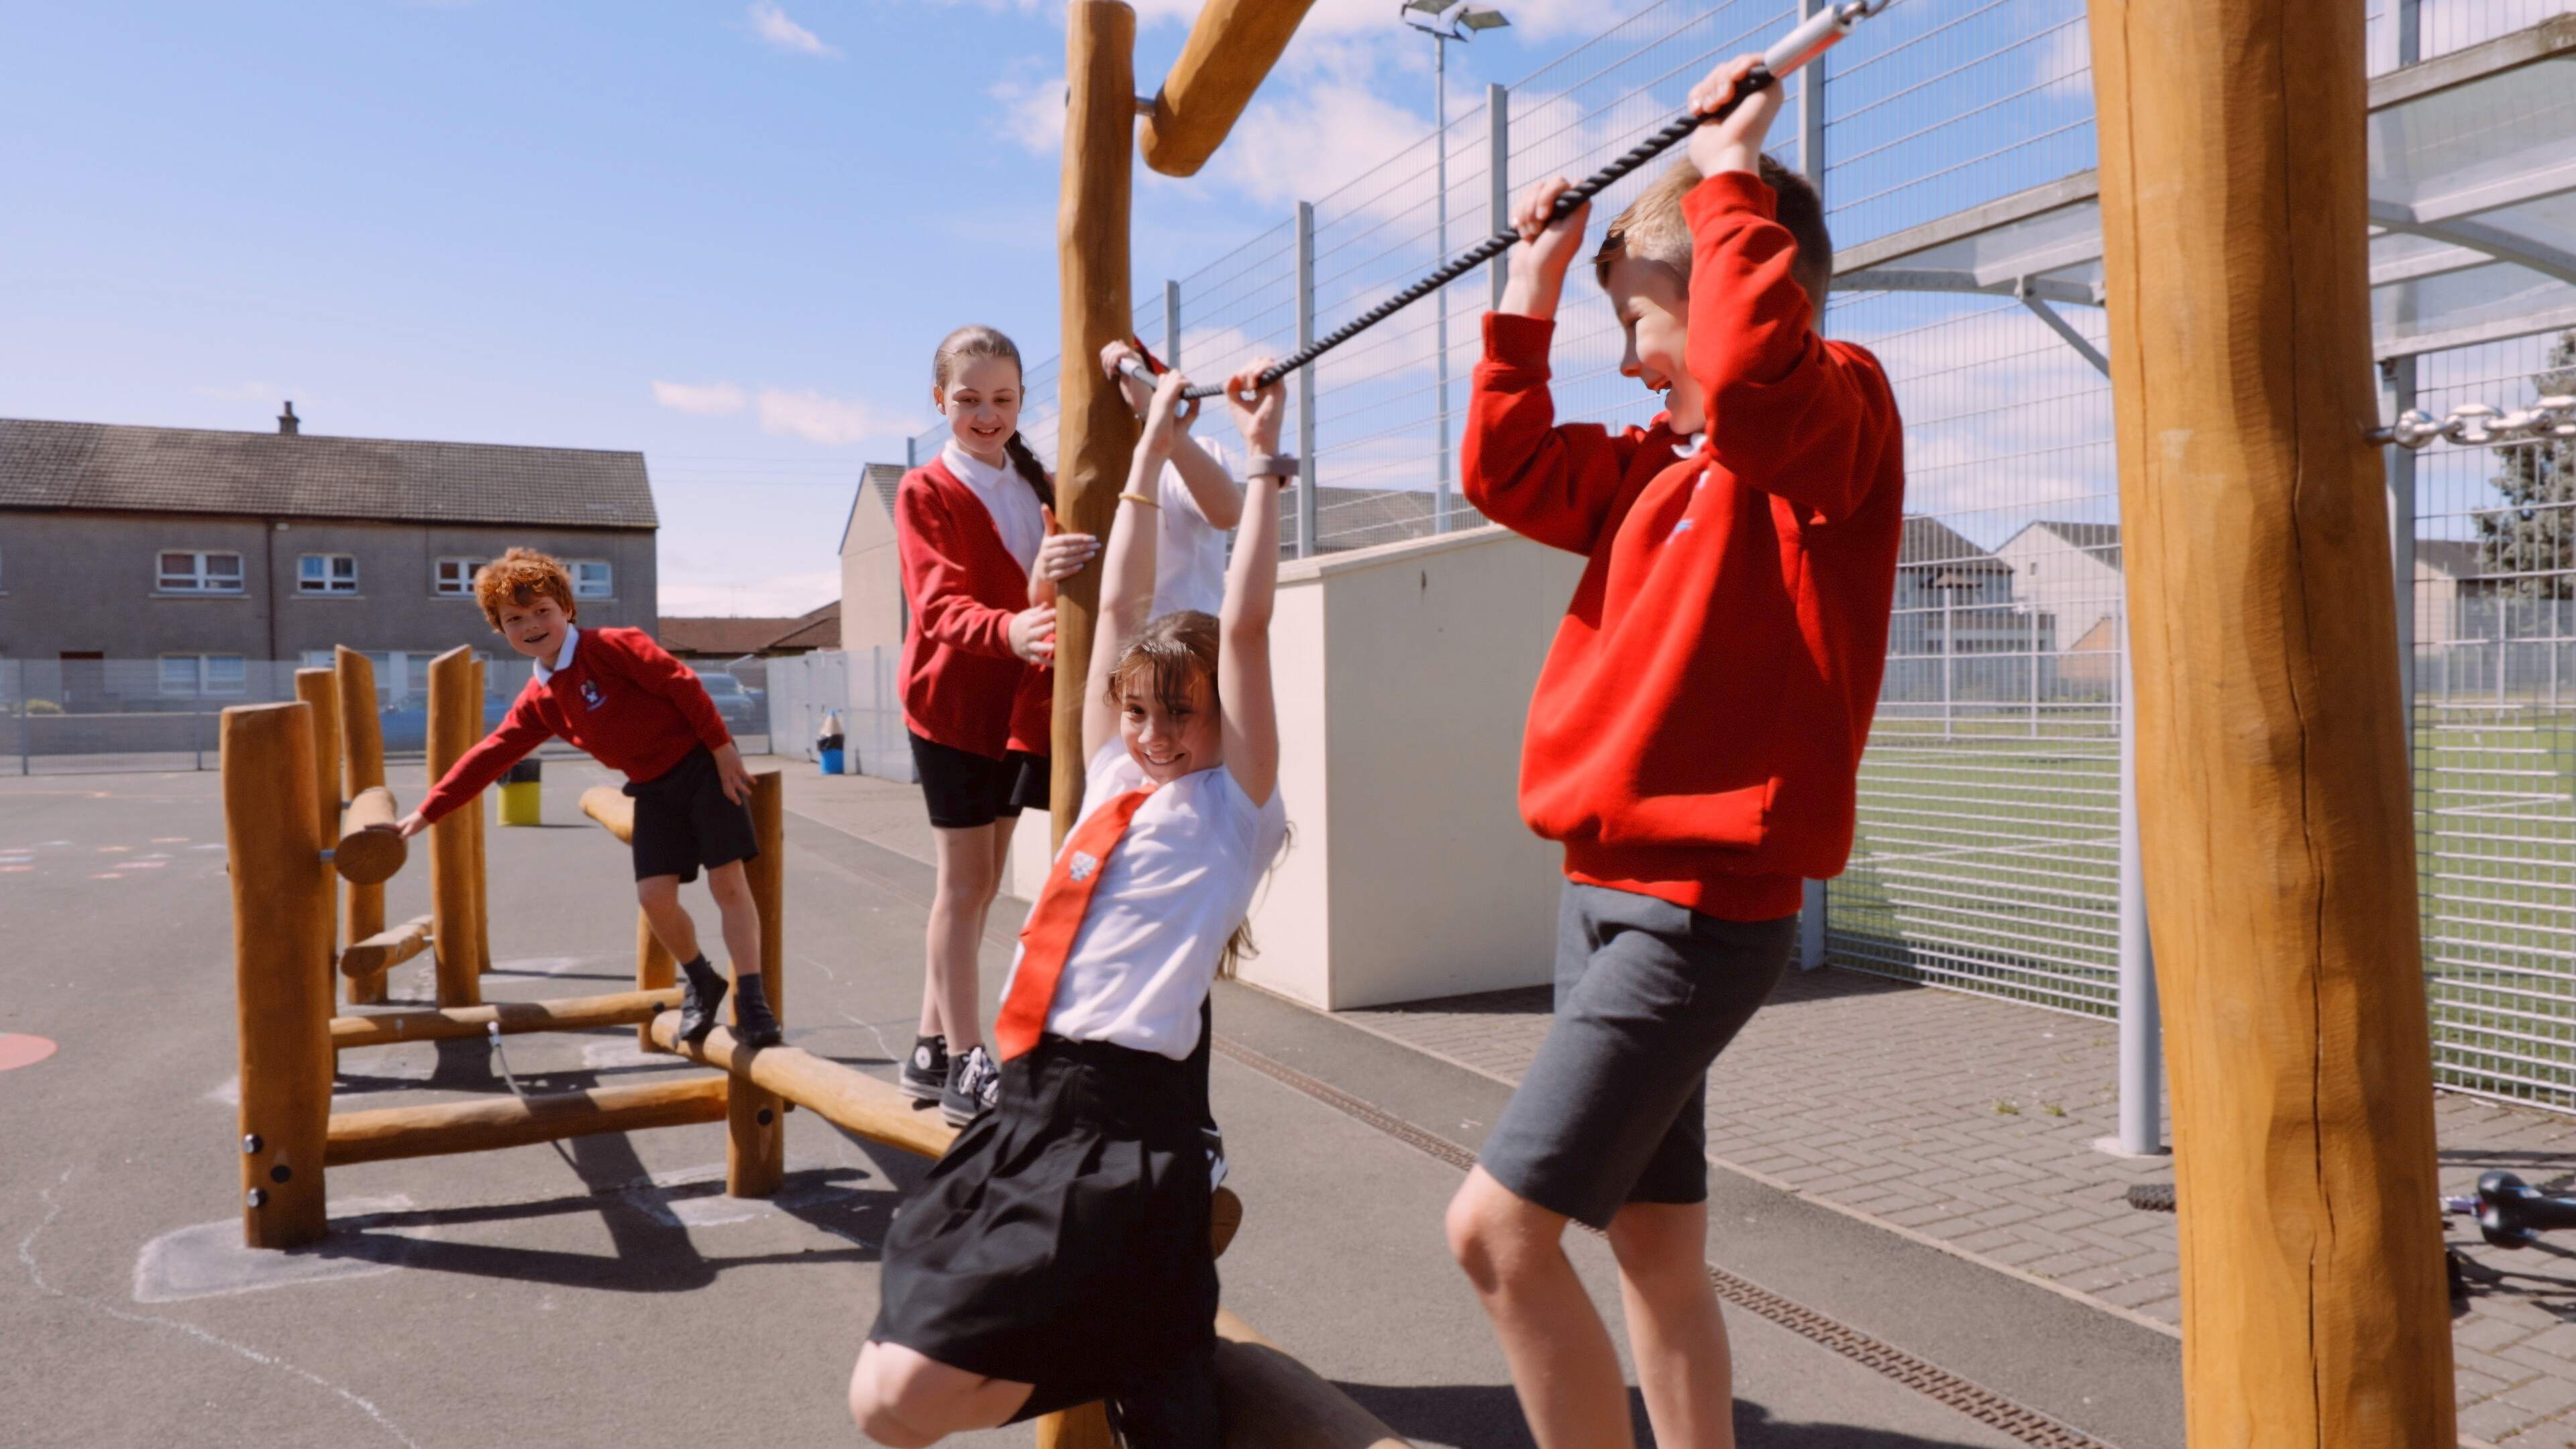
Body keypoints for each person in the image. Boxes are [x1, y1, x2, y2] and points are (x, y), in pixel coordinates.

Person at [1442, 55, 1907, 1449]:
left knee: (1493, 1237)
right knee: (1656, 1252)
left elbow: (1765, 379)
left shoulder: (1836, 423)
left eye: (1647, 325)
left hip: (1701, 913)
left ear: (1730, 290)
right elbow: (1506, 469)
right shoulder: (1654, 466)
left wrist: (1730, 173)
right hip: (1602, 892)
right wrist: (1539, 279)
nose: (1633, 357)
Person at [848, 362, 1292, 1448]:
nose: (1151, 733)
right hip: (1023, 1099)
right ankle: (1141, 1332)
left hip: (1121, 1114)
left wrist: (1267, 456)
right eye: (1137, 711)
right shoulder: (1112, 775)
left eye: (1177, 718)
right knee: (883, 1391)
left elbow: (1237, 631)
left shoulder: (1233, 809)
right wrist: (1145, 447)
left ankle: (1144, 1328)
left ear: (1220, 724)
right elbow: (1126, 606)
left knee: (905, 1402)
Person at [394, 548, 778, 1049]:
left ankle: (751, 997)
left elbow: (681, 684)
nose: (532, 624)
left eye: (542, 611)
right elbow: (489, 756)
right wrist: (425, 813)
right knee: (654, 898)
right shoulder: (540, 700)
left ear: (566, 610)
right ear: (502, 631)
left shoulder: (613, 647)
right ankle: (703, 979)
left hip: (704, 771)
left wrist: (723, 750)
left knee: (728, 884)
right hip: (654, 790)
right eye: (515, 619)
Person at [896, 325, 1096, 1128]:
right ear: (940, 401)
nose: (986, 414)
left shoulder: (1036, 479)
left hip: (1015, 710)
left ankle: (928, 1045)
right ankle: (967, 1063)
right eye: (969, 399)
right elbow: (939, 604)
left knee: (984, 887)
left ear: (1022, 401)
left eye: (1003, 399)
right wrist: (1011, 628)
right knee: (965, 884)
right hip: (949, 708)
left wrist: (1034, 612)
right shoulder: (926, 491)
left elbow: (1050, 588)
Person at [1099, 337, 1249, 1189]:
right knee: (1126, 913)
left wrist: (1166, 427)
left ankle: (1189, 1121)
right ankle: (1146, 1120)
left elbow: (1227, 510)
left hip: (1195, 681)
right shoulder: (1100, 464)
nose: (1131, 388)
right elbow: (1112, 591)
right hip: (1132, 688)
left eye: (1143, 372)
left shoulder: (1193, 448)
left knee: (1185, 915)